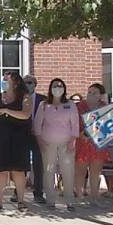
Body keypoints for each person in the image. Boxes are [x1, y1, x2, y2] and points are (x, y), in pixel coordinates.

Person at [0, 71, 34, 211]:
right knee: (1, 170)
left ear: (15, 82)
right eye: (3, 79)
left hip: (19, 138)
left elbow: (25, 115)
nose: (3, 82)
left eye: (6, 79)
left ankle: (20, 201)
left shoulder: (25, 97)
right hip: (1, 137)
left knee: (18, 171)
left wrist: (7, 110)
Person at [33, 78, 79, 211]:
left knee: (68, 171)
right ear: (50, 89)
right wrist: (40, 141)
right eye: (54, 86)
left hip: (67, 143)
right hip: (48, 143)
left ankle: (70, 201)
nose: (57, 88)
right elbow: (37, 125)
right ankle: (50, 200)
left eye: (60, 86)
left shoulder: (70, 104)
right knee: (48, 171)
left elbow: (75, 124)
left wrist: (72, 141)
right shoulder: (43, 105)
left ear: (64, 88)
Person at [74, 83, 111, 205]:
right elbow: (74, 123)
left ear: (100, 95)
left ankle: (94, 197)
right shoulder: (80, 106)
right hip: (83, 142)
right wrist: (80, 133)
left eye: (94, 92)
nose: (91, 94)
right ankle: (79, 196)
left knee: (95, 172)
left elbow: (109, 126)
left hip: (98, 144)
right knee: (80, 171)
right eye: (89, 92)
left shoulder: (105, 107)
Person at [16, 74, 46, 204]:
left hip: (38, 135)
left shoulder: (43, 100)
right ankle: (18, 192)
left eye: (30, 82)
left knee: (39, 165)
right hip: (23, 134)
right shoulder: (18, 99)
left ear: (35, 84)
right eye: (25, 82)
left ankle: (38, 193)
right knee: (21, 164)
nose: (28, 85)